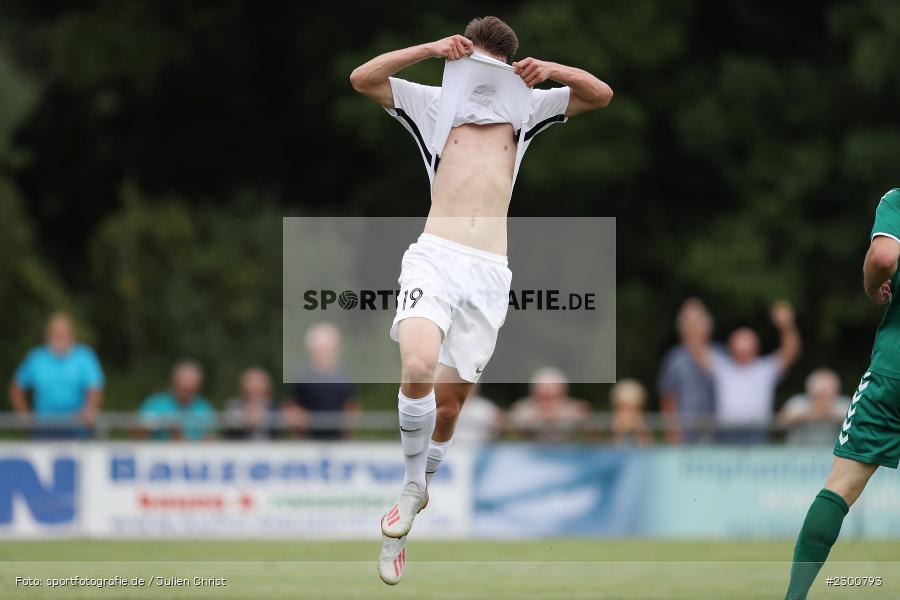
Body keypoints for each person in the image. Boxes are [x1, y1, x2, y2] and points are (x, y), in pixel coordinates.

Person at [351, 15, 612, 584]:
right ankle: (413, 486)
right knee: (416, 365)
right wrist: (427, 47)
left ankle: (409, 504)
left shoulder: (529, 110)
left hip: (490, 273)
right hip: (435, 256)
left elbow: (602, 95)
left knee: (447, 410)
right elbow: (362, 79)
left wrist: (551, 72)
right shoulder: (431, 103)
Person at [784, 188, 900, 599]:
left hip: (894, 373)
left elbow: (884, 257)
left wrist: (873, 288)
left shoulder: (897, 200)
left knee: (841, 485)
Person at [698, 301, 801, 444]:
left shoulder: (765, 369)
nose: (743, 353)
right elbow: (698, 351)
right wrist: (697, 326)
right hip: (725, 433)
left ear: (755, 348)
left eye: (747, 349)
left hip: (757, 433)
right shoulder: (722, 367)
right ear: (731, 348)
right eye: (740, 349)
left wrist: (787, 327)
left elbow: (790, 353)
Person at [9, 312, 104, 438]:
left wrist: (89, 410)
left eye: (64, 331)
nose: (59, 335)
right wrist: (26, 419)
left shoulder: (84, 356)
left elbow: (95, 387)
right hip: (43, 426)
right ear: (47, 334)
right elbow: (16, 389)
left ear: (72, 334)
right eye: (55, 331)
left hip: (76, 426)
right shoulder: (36, 357)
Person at [657, 298, 720, 444]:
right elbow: (667, 397)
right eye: (689, 322)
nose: (693, 327)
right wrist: (672, 431)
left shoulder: (719, 355)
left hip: (717, 432)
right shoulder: (674, 358)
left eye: (697, 322)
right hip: (684, 433)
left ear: (707, 325)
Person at [284, 322, 358, 440]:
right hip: (308, 441)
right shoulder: (301, 378)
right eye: (322, 349)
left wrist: (346, 430)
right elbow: (291, 408)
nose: (326, 353)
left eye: (330, 349)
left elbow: (352, 408)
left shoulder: (345, 377)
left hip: (338, 441)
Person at [138, 360, 215, 440]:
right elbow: (137, 433)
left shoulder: (205, 408)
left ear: (198, 386)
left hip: (193, 451)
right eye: (182, 387)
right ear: (174, 382)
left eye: (190, 389)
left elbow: (210, 440)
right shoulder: (155, 403)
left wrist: (180, 437)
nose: (186, 391)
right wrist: (162, 424)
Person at [507, 367, 589, 442]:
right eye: (544, 397)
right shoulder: (523, 407)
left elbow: (589, 425)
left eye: (553, 397)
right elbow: (512, 423)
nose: (548, 402)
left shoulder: (572, 408)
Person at [777, 369, 850, 446]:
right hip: (797, 452)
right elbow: (780, 422)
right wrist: (812, 414)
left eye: (827, 395)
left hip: (833, 453)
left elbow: (857, 424)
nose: (822, 399)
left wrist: (825, 413)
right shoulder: (797, 402)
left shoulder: (843, 404)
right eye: (819, 395)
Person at [222, 367, 276, 440]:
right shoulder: (233, 406)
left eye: (258, 382)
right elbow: (228, 424)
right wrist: (245, 420)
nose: (254, 386)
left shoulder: (274, 407)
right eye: (251, 382)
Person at [609, 378, 653, 447]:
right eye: (623, 407)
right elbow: (614, 443)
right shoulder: (617, 420)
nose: (628, 412)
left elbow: (647, 443)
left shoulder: (639, 421)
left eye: (632, 408)